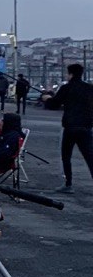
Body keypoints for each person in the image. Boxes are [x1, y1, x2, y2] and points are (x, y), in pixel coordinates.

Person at [44, 63, 93, 193]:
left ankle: (68, 184)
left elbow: (54, 104)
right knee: (90, 157)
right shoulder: (89, 88)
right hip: (86, 127)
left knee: (66, 156)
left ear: (70, 74)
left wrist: (47, 99)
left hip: (70, 128)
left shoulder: (66, 88)